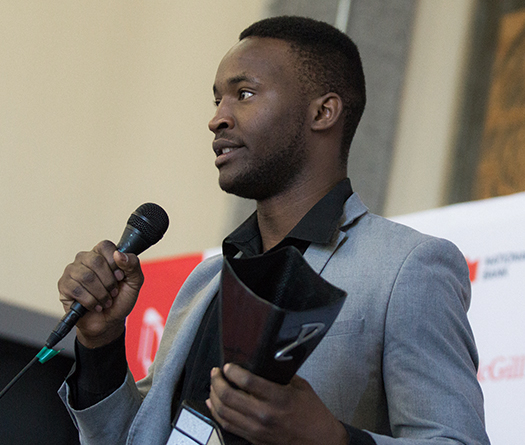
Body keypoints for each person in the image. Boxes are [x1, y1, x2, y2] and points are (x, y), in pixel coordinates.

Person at [57, 16, 490, 445]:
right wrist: (102, 345)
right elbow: (138, 437)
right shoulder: (205, 281)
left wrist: (333, 439)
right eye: (216, 100)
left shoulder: (406, 268)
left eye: (244, 94)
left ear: (323, 112)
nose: (217, 119)